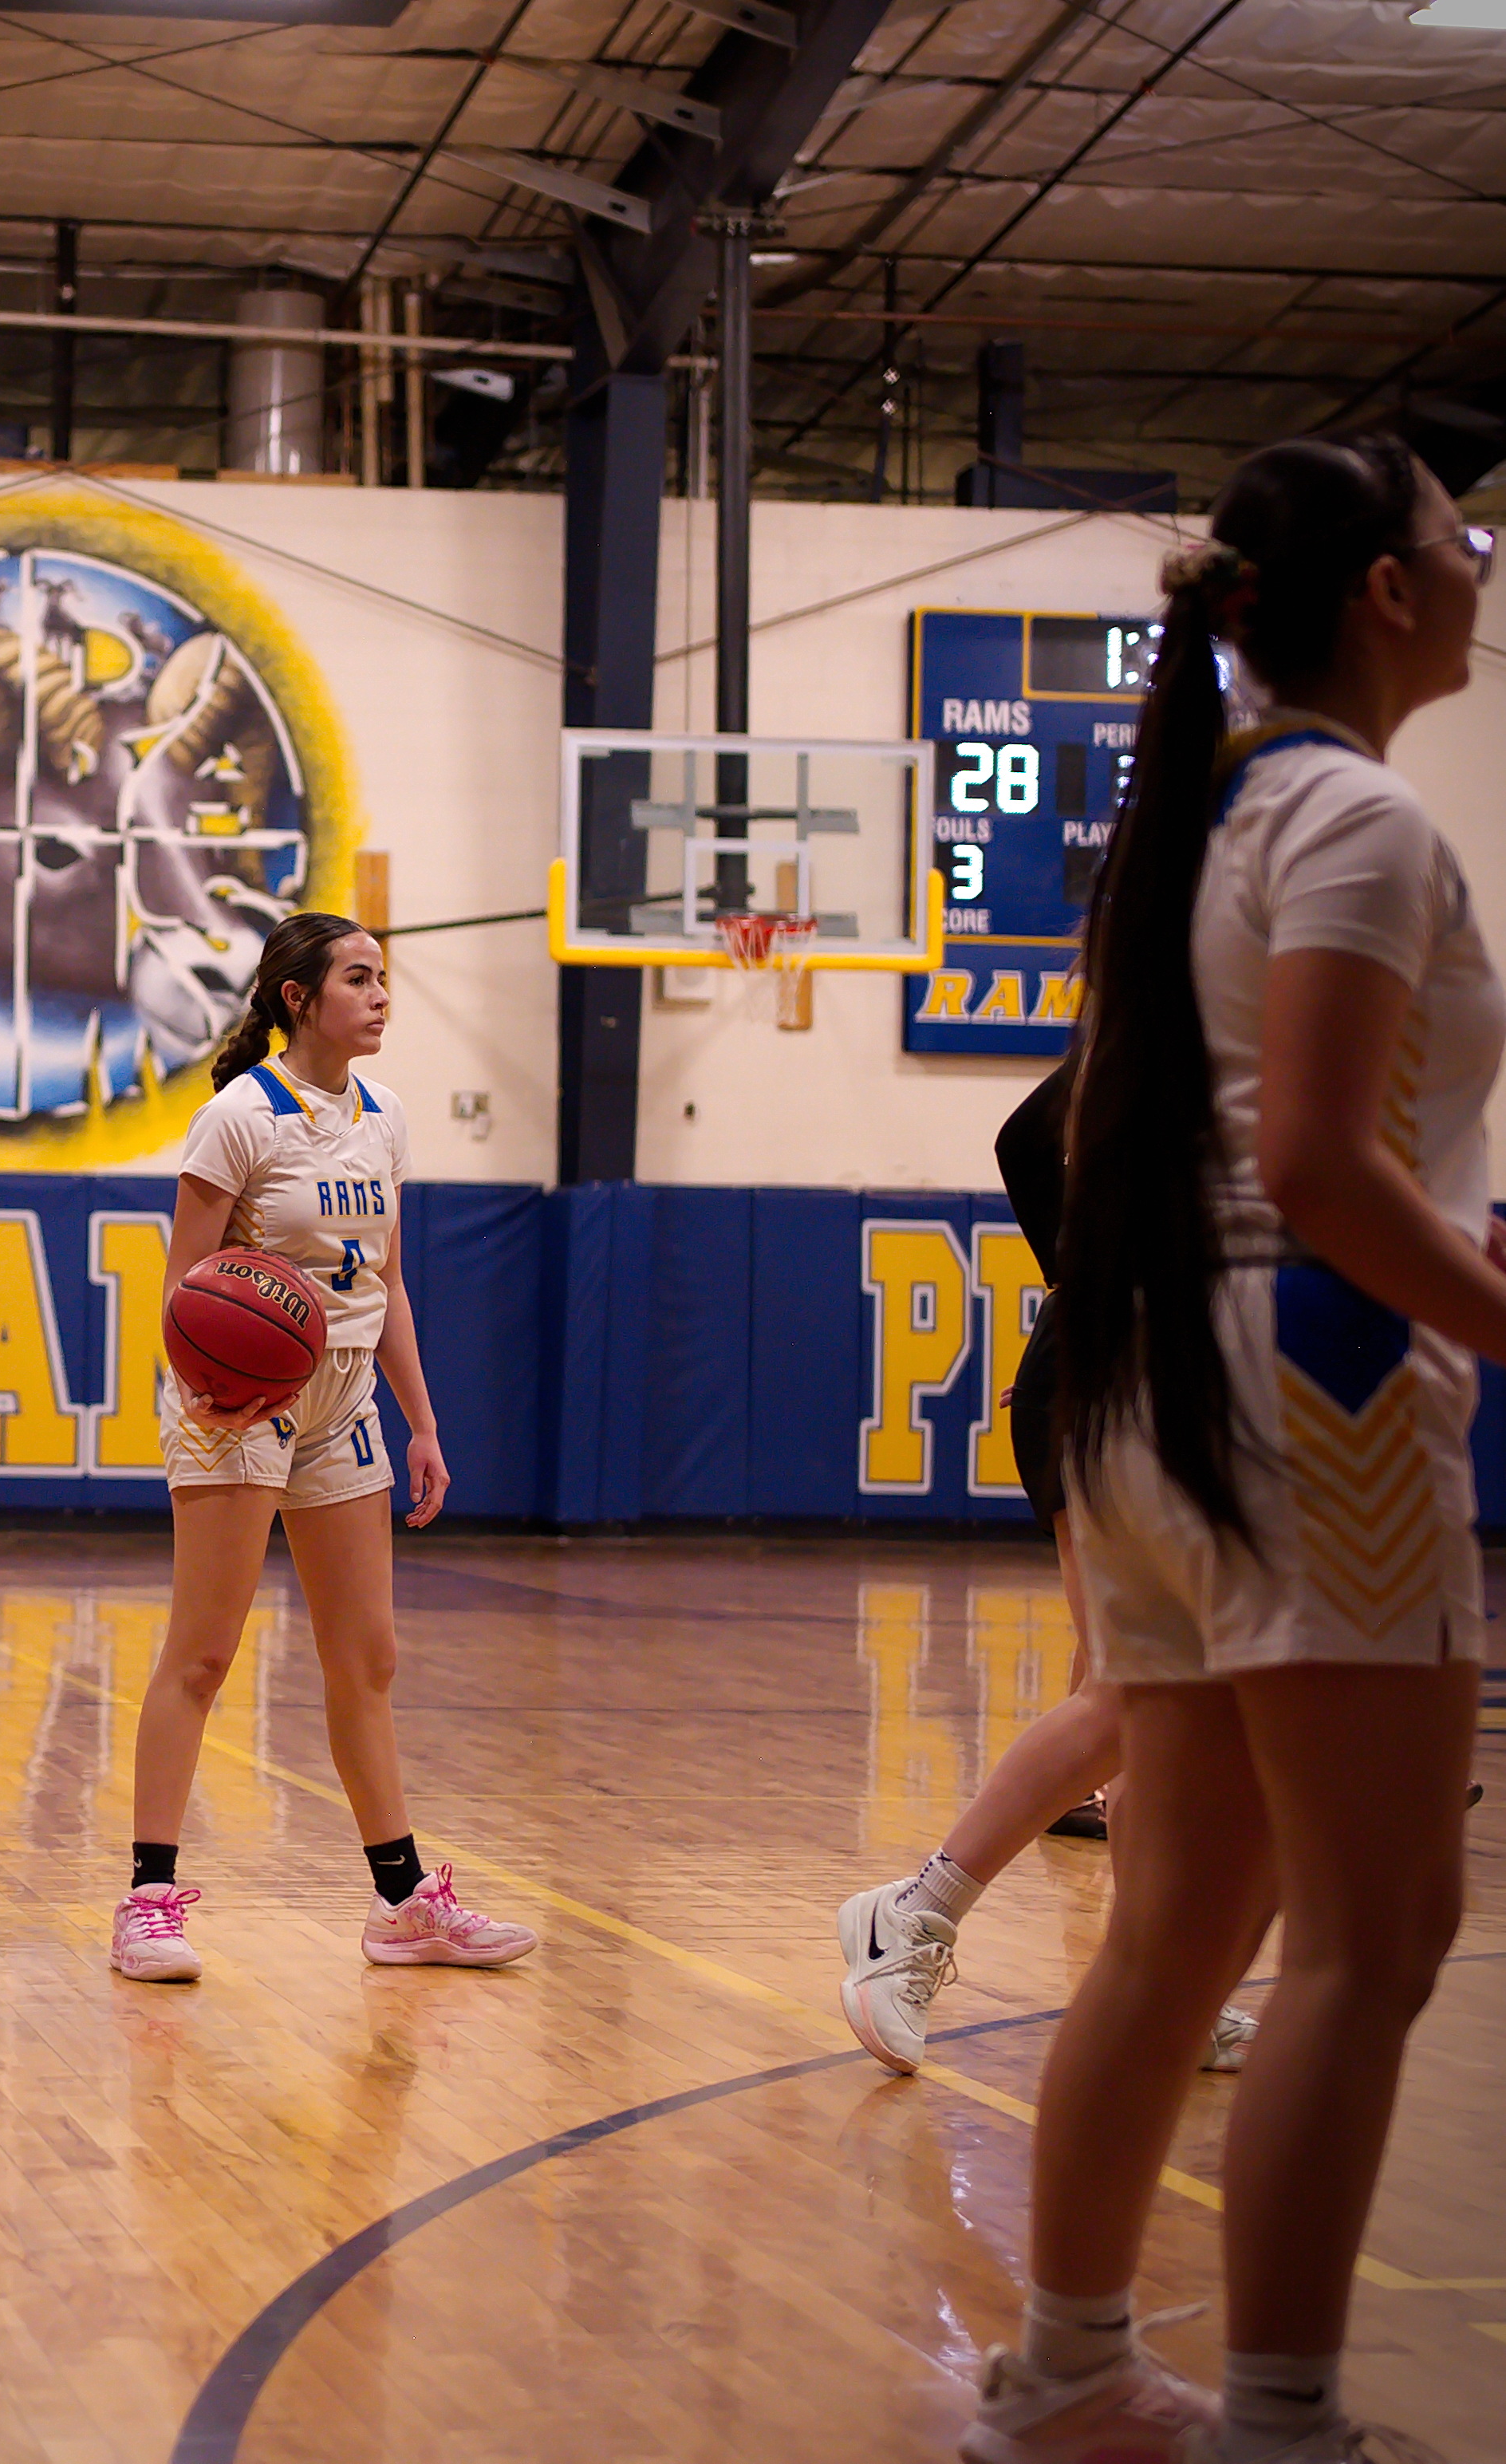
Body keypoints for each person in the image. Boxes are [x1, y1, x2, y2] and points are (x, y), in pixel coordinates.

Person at [963, 436, 1492, 2464]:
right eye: (1455, 535)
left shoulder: (1195, 823)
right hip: (1313, 1395)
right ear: (1377, 591)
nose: (1473, 563)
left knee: (1177, 1927)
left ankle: (1066, 2375)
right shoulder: (1354, 816)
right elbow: (1314, 1170)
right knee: (1370, 1941)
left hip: (1141, 1391)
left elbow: (1204, 1151)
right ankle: (1282, 2423)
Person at [109, 909, 538, 1983]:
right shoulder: (238, 1119)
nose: (382, 994)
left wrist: (424, 1420)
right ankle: (147, 1902)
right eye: (360, 977)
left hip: (345, 1396)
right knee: (203, 1654)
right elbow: (183, 1291)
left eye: (385, 977)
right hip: (240, 1402)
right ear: (300, 998)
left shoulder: (386, 1117)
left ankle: (403, 1907)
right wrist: (210, 1393)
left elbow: (385, 1283)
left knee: (370, 1656)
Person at [837, 1053, 1260, 2080]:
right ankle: (916, 1913)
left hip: (1190, 1374)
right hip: (1119, 1371)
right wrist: (1082, 1277)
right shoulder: (1190, 999)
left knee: (1171, 1704)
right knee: (1145, 1693)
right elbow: (1030, 1134)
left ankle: (1169, 1977)